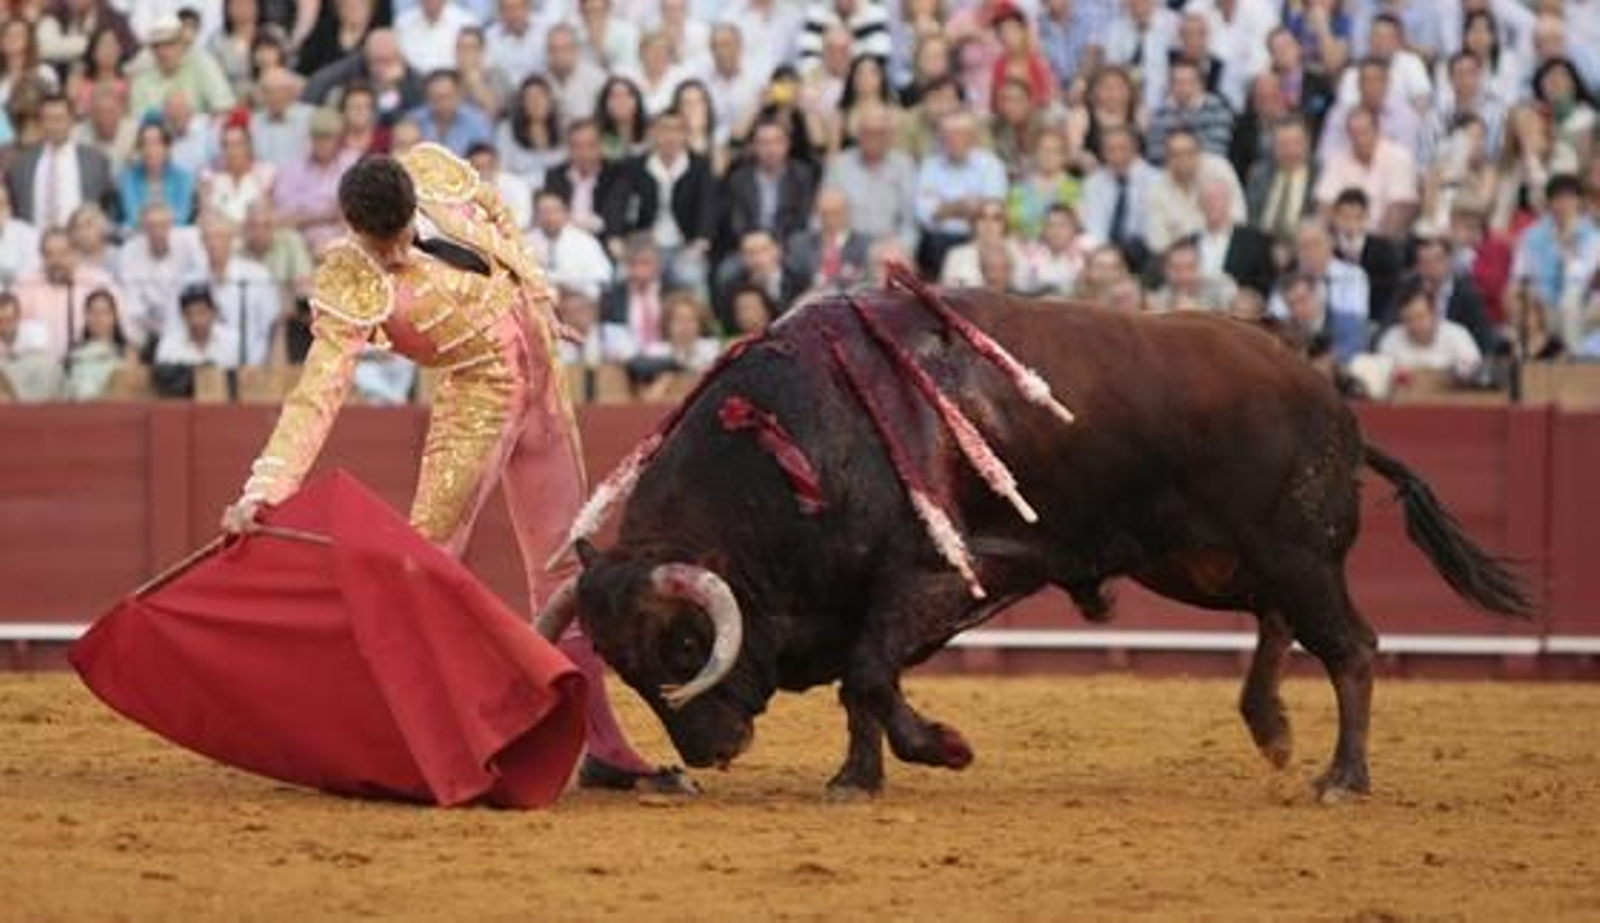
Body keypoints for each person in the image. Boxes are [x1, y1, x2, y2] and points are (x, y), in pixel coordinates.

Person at [218, 145, 690, 794]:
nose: (391, 254)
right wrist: (265, 489)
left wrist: (540, 292)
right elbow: (316, 394)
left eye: (398, 237)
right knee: (424, 568)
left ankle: (603, 746)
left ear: (413, 204)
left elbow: (498, 216)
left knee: (566, 570)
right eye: (378, 243)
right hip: (476, 406)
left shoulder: (435, 172)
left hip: (544, 388)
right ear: (353, 228)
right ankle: (403, 739)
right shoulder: (350, 279)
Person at [1377, 283, 1484, 377]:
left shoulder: (1457, 335)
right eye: (1407, 319)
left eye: (1420, 317)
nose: (1415, 325)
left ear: (1435, 314)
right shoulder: (1391, 339)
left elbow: (1475, 373)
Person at [64, 287, 133, 399]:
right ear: (85, 316)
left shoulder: (126, 354)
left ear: (115, 316)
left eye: (103, 312)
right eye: (92, 312)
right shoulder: (73, 357)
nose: (98, 318)